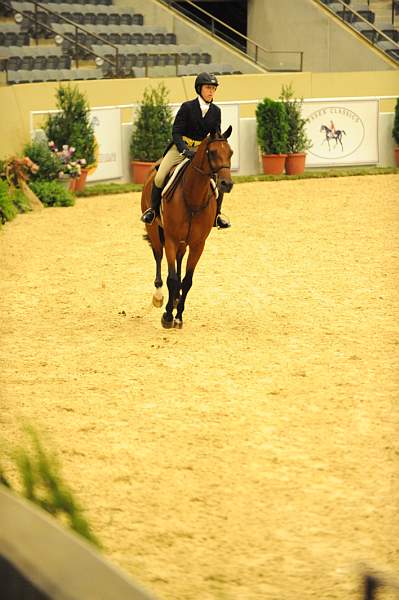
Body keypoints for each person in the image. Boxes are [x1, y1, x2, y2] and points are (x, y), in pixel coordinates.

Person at [141, 72, 231, 228]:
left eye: (213, 89)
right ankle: (152, 211)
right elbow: (176, 132)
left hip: (201, 151)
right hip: (179, 148)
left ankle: (217, 215)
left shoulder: (216, 111)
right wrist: (184, 150)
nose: (211, 91)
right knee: (160, 175)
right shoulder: (187, 107)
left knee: (218, 178)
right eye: (208, 88)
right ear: (199, 89)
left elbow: (215, 134)